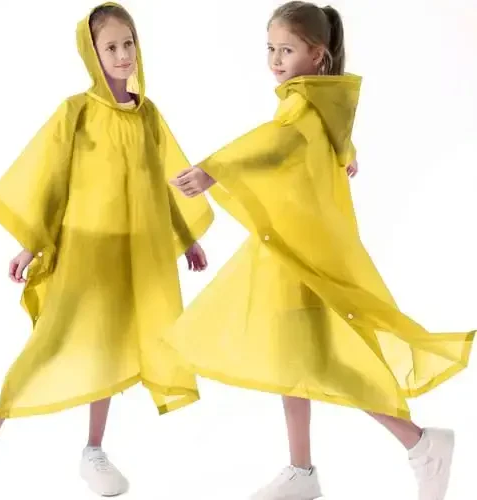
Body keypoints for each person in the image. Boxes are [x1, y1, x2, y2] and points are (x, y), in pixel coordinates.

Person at [166, 2, 474, 499]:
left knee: (322, 359)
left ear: (318, 55)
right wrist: (346, 153)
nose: (275, 59)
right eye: (270, 49)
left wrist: (212, 169)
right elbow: (313, 145)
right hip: (293, 250)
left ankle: (419, 443)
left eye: (286, 50)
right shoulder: (321, 103)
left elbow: (277, 142)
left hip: (300, 255)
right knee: (293, 356)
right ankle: (302, 470)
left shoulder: (302, 105)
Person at [0, 2, 213, 496]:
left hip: (132, 252)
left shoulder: (149, 115)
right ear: (93, 53)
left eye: (129, 44)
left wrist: (187, 236)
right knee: (52, 339)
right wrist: (30, 245)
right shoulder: (76, 112)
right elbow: (51, 181)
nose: (123, 55)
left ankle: (94, 450)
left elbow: (164, 182)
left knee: (110, 343)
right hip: (85, 250)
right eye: (111, 47)